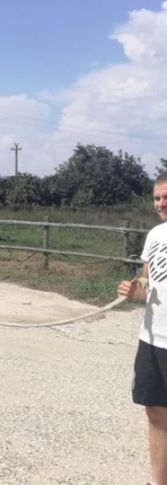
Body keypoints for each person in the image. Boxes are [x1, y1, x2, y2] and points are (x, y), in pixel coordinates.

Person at [118, 173, 167, 484]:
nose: (162, 203)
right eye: (158, 197)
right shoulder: (155, 236)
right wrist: (135, 293)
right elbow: (148, 284)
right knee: (156, 415)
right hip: (152, 338)